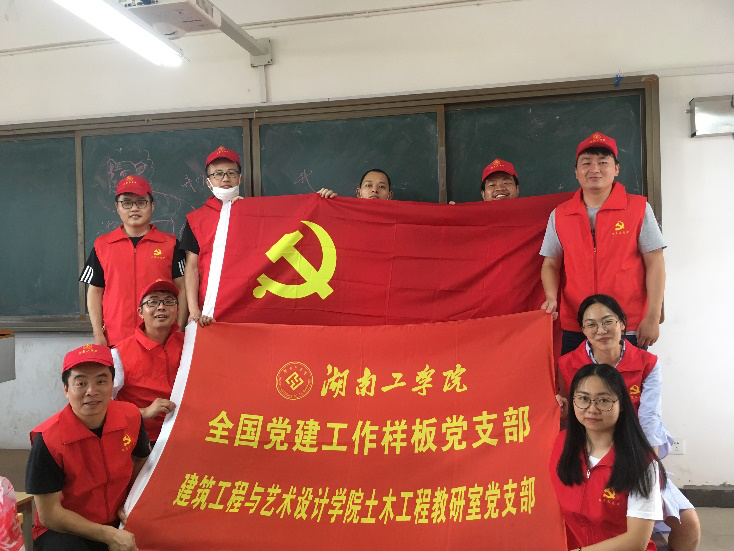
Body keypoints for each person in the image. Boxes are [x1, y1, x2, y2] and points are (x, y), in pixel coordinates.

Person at [559, 294, 701, 550]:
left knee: (688, 524)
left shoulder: (647, 364)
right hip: (588, 454)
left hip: (633, 452)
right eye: (591, 324)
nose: (600, 330)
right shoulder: (567, 364)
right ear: (583, 330)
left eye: (608, 321)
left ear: (622, 323)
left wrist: (648, 468)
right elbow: (569, 418)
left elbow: (649, 420)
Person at [539, 132, 666, 354]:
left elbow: (655, 262)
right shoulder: (560, 214)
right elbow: (551, 263)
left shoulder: (638, 208)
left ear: (616, 169)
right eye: (586, 163)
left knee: (626, 378)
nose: (594, 169)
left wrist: (653, 316)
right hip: (578, 324)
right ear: (576, 172)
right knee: (576, 378)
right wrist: (551, 297)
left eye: (603, 162)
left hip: (627, 323)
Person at [25, 344, 150, 551]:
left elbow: (142, 459)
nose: (92, 391)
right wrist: (109, 535)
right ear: (66, 389)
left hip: (118, 518)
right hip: (66, 529)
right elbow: (49, 515)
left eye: (101, 381)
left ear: (112, 384)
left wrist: (130, 500)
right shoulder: (48, 440)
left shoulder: (131, 416)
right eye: (81, 383)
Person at [551, 363, 665, 551]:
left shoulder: (642, 463)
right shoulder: (562, 444)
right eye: (583, 399)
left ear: (621, 405)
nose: (592, 409)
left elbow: (636, 542)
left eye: (603, 400)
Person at [79, 175, 187, 347]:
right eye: (127, 203)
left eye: (141, 202)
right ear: (117, 207)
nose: (134, 208)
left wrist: (179, 329)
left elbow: (182, 288)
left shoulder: (170, 244)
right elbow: (95, 292)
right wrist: (98, 333)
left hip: (161, 338)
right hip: (116, 338)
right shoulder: (102, 245)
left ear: (152, 206)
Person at [112, 279, 183, 446]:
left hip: (186, 435)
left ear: (177, 310)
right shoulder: (119, 353)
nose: (161, 307)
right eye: (153, 302)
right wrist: (144, 412)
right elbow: (104, 406)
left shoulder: (191, 343)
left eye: (168, 301)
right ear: (140, 312)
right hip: (142, 440)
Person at [179, 146, 243, 327]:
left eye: (231, 173)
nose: (225, 179)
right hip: (209, 308)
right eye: (218, 174)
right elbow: (192, 268)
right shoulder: (196, 219)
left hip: (245, 302)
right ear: (208, 182)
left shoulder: (255, 213)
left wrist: (247, 210)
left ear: (240, 178)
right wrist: (194, 310)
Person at [317, 168, 392, 200]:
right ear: (358, 193)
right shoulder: (343, 213)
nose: (374, 190)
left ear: (389, 195)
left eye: (381, 186)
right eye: (368, 185)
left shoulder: (398, 219)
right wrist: (323, 201)